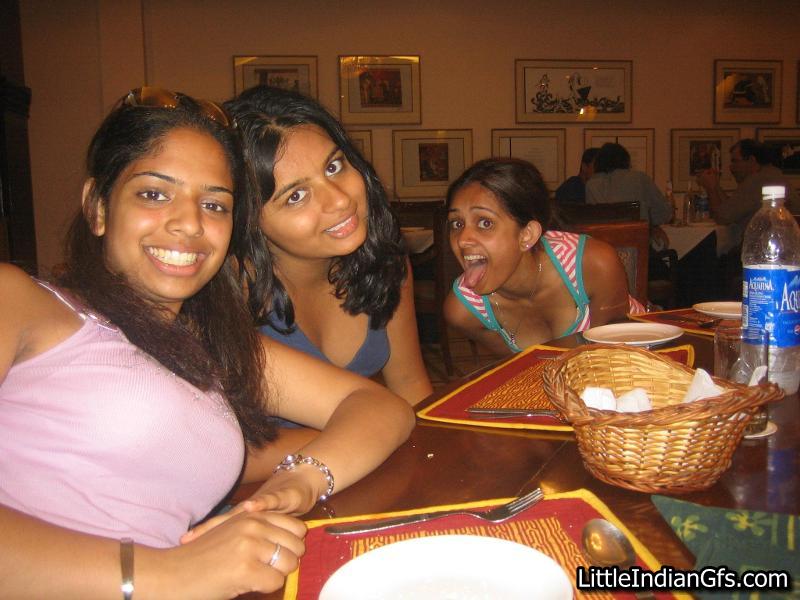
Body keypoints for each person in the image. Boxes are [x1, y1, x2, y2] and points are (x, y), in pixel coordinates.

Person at [0, 87, 415, 598]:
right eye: (154, 194)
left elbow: (381, 407)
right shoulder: (20, 301)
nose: (191, 223)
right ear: (98, 206)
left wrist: (299, 480)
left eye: (214, 204)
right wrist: (165, 574)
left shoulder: (209, 344)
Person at [225, 85, 432, 405]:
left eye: (334, 167)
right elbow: (228, 434)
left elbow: (410, 386)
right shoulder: (228, 293)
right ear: (248, 219)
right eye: (296, 196)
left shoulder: (383, 261)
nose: (340, 200)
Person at [443, 157, 644, 355]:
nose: (462, 240)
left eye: (485, 223)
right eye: (457, 224)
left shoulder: (592, 264)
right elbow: (522, 367)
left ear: (526, 235)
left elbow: (611, 358)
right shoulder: (464, 311)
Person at [696, 138, 797, 242]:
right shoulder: (772, 174)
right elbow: (730, 208)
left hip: (764, 247)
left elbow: (722, 217)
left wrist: (711, 188)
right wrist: (716, 186)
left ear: (751, 160)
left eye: (735, 161)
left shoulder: (757, 181)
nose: (731, 167)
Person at [585, 142, 672, 227]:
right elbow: (664, 214)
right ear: (626, 161)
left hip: (605, 235)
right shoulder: (640, 179)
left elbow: (594, 220)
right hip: (638, 234)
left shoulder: (592, 185)